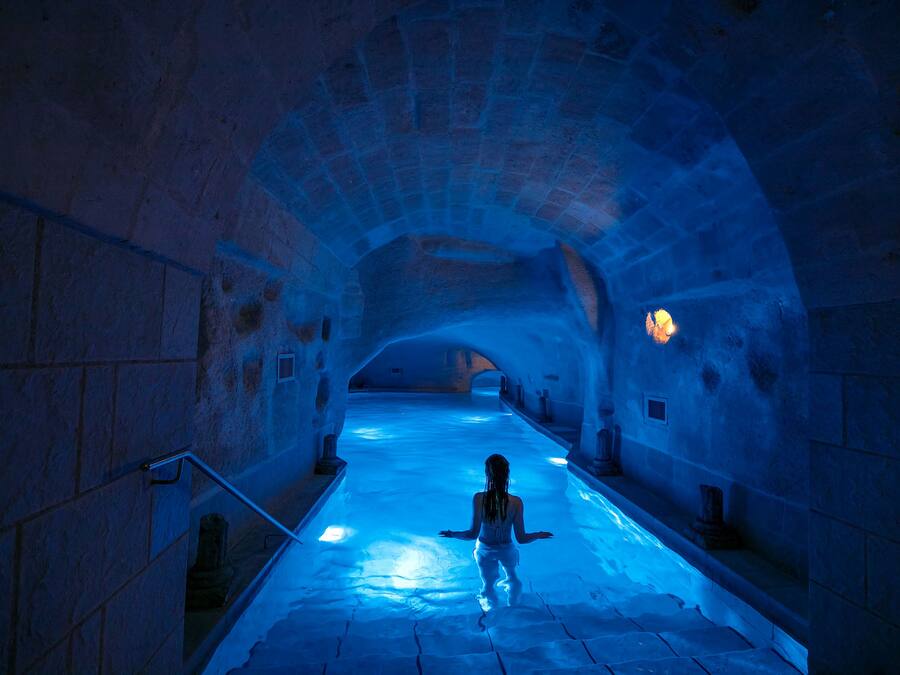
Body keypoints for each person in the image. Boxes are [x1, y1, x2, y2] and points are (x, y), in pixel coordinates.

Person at [439, 453, 553, 610]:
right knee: (513, 577)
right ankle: (514, 606)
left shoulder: (479, 499)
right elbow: (522, 538)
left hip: (485, 550)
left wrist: (453, 534)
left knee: (488, 585)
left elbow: (472, 534)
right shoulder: (516, 502)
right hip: (507, 549)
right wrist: (539, 534)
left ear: (487, 474)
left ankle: (492, 616)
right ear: (507, 475)